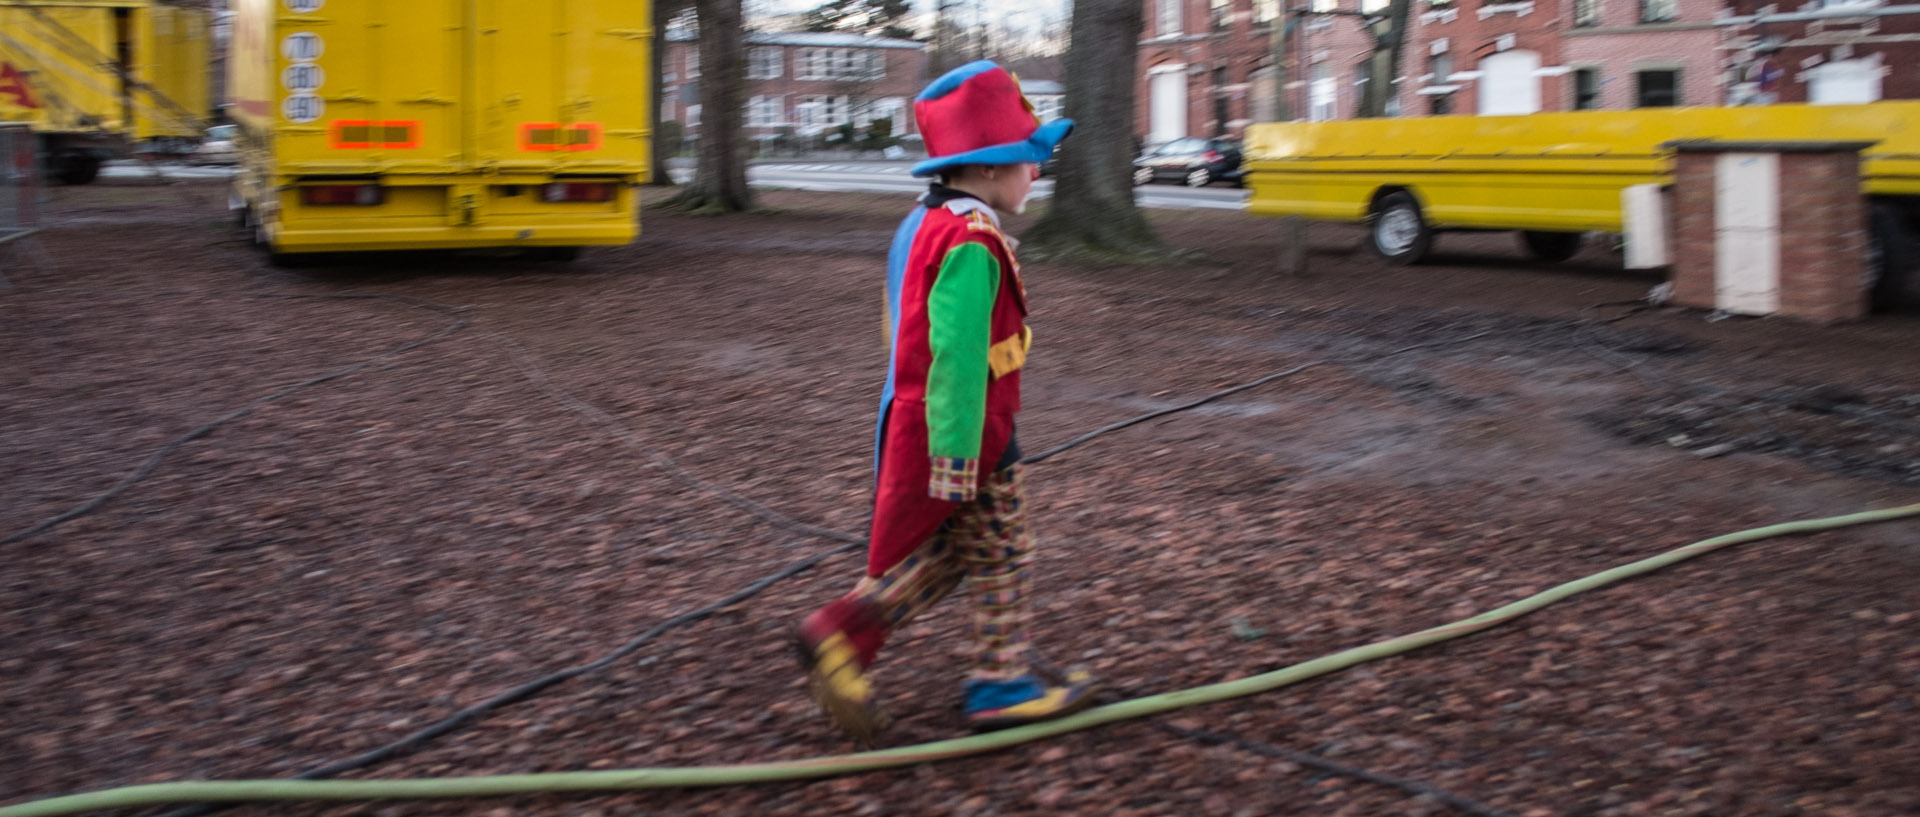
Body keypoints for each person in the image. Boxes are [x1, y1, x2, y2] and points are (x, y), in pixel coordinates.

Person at [794, 60, 1097, 742]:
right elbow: (957, 358)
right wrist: (958, 457)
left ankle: (843, 632)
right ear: (989, 168)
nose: (1037, 173)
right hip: (970, 431)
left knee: (967, 553)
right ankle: (999, 685)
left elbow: (900, 329)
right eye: (1028, 158)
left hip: (927, 420)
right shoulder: (971, 241)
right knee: (1008, 551)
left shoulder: (925, 222)